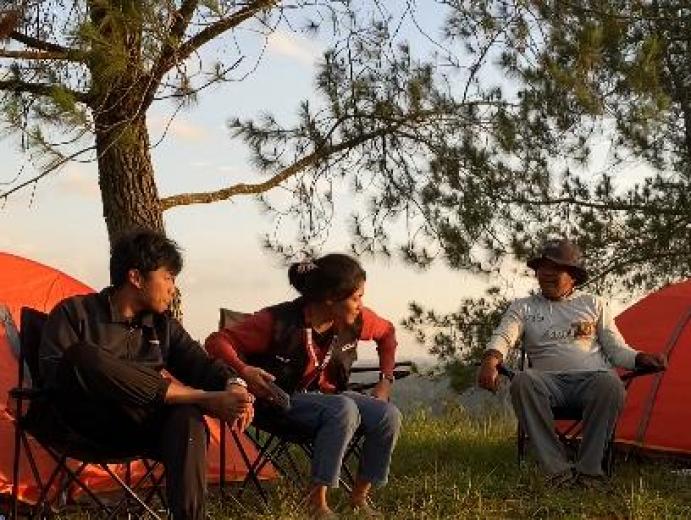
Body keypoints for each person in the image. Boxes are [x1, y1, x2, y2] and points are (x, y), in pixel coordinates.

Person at [38, 229, 254, 519]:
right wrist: (204, 397)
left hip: (141, 428)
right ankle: (199, 398)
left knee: (187, 417)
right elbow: (54, 375)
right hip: (82, 424)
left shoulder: (162, 327)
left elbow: (202, 364)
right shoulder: (75, 313)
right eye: (168, 278)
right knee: (82, 356)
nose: (173, 289)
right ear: (136, 278)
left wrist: (235, 383)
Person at [205, 253, 402, 519]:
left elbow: (387, 333)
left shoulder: (356, 320)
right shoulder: (278, 321)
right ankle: (317, 503)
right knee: (342, 409)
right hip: (276, 401)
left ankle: (358, 499)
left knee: (387, 415)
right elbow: (217, 341)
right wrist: (244, 370)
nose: (361, 305)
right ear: (331, 298)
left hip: (329, 396)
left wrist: (385, 381)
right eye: (356, 298)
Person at [478, 238, 666, 486]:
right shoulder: (523, 307)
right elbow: (504, 336)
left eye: (556, 268)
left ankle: (589, 472)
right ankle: (557, 471)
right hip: (546, 385)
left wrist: (640, 358)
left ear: (573, 276)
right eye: (543, 268)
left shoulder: (593, 303)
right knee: (523, 381)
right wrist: (491, 360)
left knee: (610, 384)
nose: (546, 273)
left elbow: (616, 349)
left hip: (590, 382)